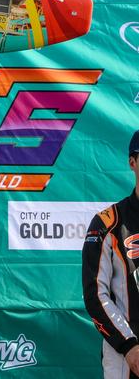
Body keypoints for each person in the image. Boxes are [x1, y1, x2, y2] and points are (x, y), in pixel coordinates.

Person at [83, 129, 139, 378]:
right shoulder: (108, 223)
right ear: (132, 162)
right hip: (125, 354)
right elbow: (95, 293)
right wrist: (128, 345)